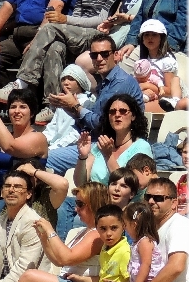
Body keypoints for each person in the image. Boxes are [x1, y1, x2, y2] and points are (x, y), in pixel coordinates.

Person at [0, 0, 130, 120]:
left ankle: (23, 81)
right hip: (73, 31)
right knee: (55, 48)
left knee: (50, 28)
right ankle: (53, 105)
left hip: (99, 34)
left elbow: (102, 19)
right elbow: (79, 13)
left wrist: (65, 20)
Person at [45, 34, 143, 176]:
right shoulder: (105, 83)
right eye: (94, 55)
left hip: (115, 146)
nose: (99, 59)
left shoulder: (120, 83)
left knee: (49, 157)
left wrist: (76, 107)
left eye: (104, 54)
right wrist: (69, 107)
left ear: (115, 55)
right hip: (99, 141)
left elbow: (103, 124)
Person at [0, 87, 49, 190]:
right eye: (13, 107)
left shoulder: (39, 138)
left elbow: (10, 147)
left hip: (22, 195)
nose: (17, 111)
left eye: (23, 107)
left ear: (32, 113)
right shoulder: (3, 137)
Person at [74, 94, 151, 186]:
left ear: (133, 116)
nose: (117, 115)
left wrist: (108, 156)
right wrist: (82, 156)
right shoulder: (101, 146)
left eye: (123, 111)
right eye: (112, 112)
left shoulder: (142, 147)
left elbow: (128, 185)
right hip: (94, 198)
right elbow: (80, 183)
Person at [43, 64, 95, 151]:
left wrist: (54, 148)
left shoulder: (87, 102)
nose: (66, 83)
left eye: (71, 79)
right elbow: (52, 128)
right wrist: (41, 140)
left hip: (72, 148)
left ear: (80, 81)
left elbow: (76, 134)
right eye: (63, 79)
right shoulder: (62, 101)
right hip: (54, 146)